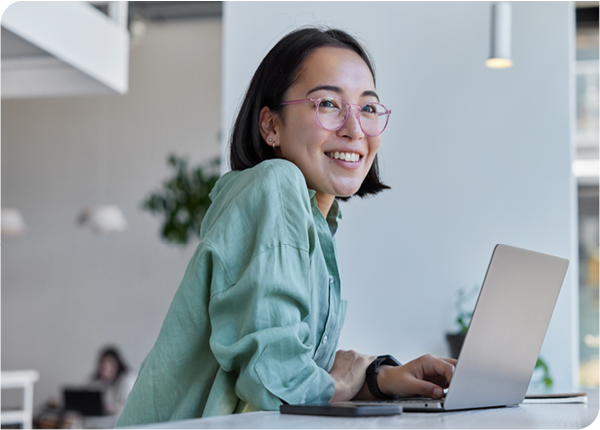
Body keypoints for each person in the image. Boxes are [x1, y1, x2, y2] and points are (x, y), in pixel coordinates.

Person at [116, 27, 456, 427]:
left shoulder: (316, 220)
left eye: (367, 108)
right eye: (328, 103)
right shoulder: (275, 184)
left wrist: (380, 379)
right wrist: (343, 381)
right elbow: (275, 384)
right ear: (270, 126)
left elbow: (297, 374)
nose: (355, 128)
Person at [87, 346, 135, 416]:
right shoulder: (98, 382)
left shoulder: (129, 380)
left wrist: (115, 408)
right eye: (103, 367)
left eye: (109, 366)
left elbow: (133, 408)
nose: (105, 372)